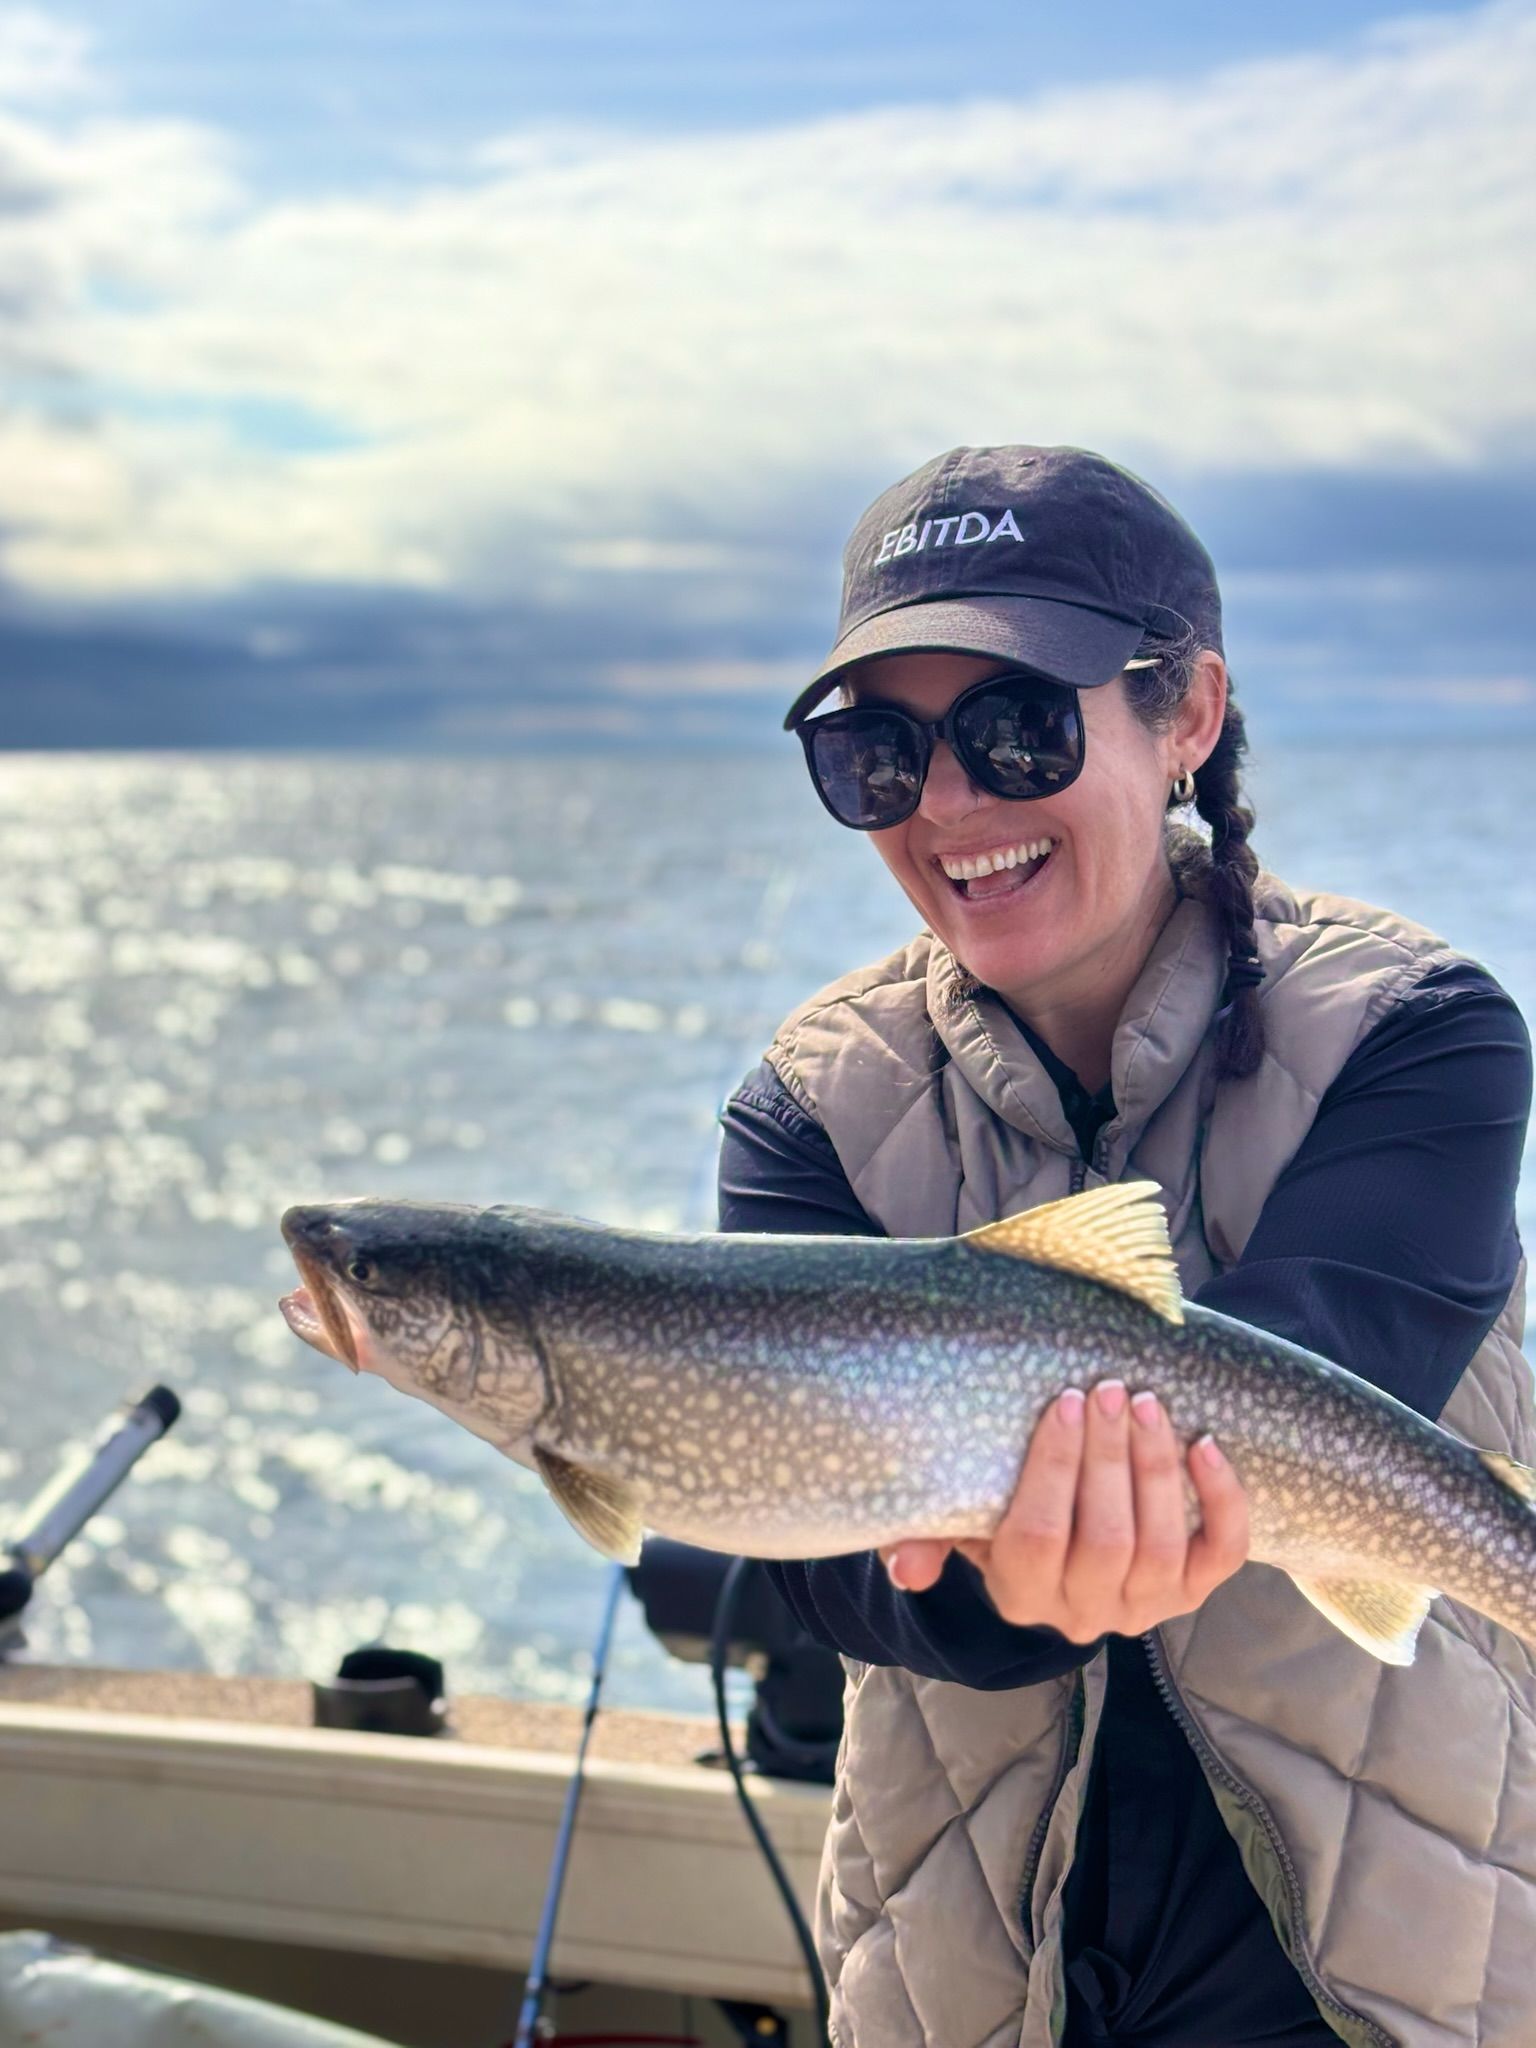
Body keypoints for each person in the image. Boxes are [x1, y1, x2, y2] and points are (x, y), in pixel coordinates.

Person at [715, 445, 1535, 2048]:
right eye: (875, 753)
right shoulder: (808, 1110)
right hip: (970, 1976)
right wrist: (1005, 1598)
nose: (947, 805)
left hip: (1384, 1972)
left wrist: (1001, 1522)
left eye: (1015, 728)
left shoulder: (1420, 1032)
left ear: (1188, 717)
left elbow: (1308, 1404)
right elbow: (804, 1547)